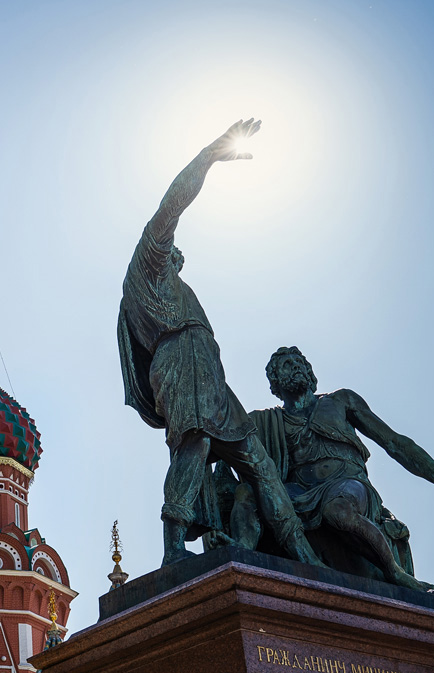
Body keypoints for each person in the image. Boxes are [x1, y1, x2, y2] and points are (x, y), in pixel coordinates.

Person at [118, 119, 322, 566]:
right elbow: (172, 205)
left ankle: (304, 554)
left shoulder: (174, 285)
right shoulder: (148, 264)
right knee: (194, 445)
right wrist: (210, 155)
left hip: (207, 373)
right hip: (182, 365)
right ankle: (174, 547)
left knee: (258, 460)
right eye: (173, 252)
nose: (177, 256)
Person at [229, 346, 434, 592]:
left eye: (300, 363)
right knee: (247, 492)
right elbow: (226, 447)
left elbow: (394, 443)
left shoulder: (341, 400)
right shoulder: (262, 421)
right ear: (275, 382)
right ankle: (238, 555)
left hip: (347, 483)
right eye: (287, 365)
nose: (296, 367)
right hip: (299, 490)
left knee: (337, 510)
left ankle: (395, 572)